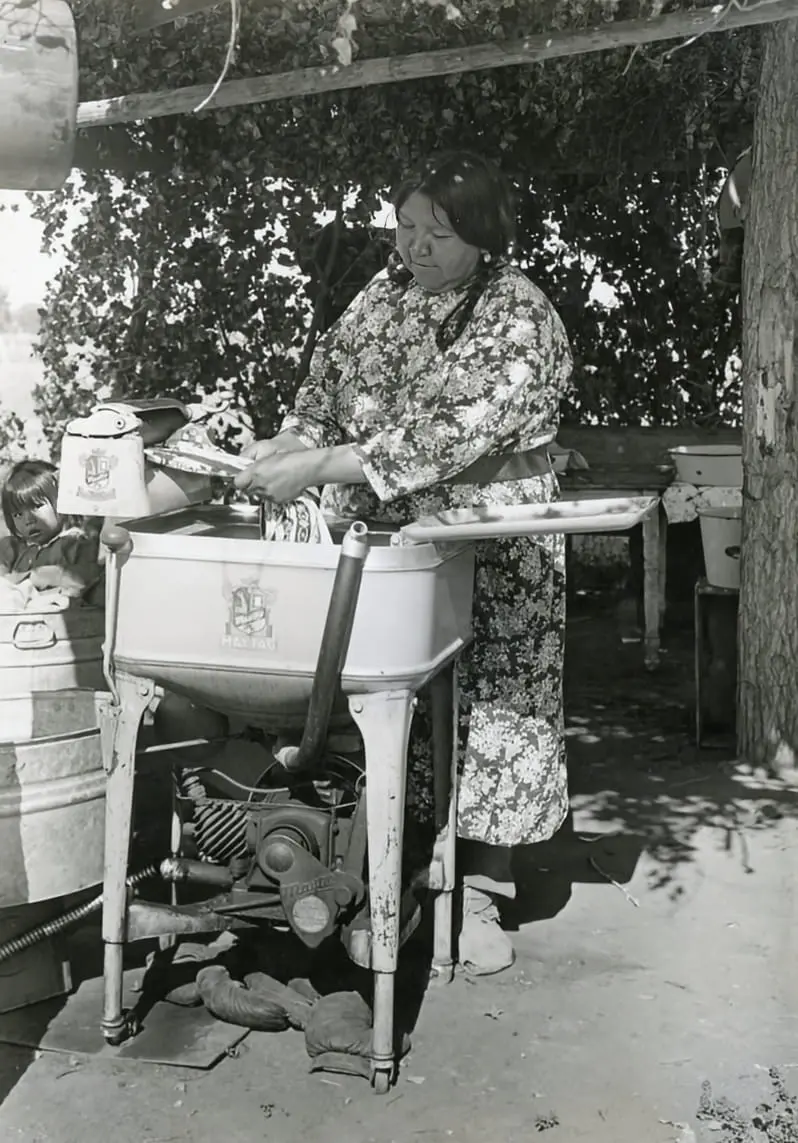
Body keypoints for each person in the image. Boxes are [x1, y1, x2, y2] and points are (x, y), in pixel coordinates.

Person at [234, 150, 573, 975]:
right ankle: (397, 857)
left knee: (493, 706)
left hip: (493, 535)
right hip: (386, 538)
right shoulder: (382, 296)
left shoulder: (519, 315)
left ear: (484, 237)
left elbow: (439, 439)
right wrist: (290, 441)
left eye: (438, 234)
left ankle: (487, 886)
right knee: (390, 700)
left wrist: (317, 467)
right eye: (407, 227)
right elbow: (323, 394)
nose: (415, 248)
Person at [0, 458, 103, 601]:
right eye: (18, 515)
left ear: (60, 501)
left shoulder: (75, 543)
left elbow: (86, 577)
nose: (29, 520)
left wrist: (40, 576)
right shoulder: (16, 550)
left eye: (37, 506)